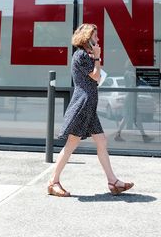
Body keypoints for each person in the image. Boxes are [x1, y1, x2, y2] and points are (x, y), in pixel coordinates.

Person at [48, 23, 134, 198]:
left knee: (101, 142)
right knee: (71, 144)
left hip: (89, 105)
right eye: (95, 36)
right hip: (83, 105)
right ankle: (53, 182)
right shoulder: (82, 55)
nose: (98, 39)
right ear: (87, 38)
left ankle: (113, 181)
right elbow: (95, 76)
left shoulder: (84, 55)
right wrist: (97, 57)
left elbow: (95, 77)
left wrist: (95, 57)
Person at [114, 67, 154, 143]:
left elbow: (136, 82)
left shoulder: (130, 74)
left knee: (136, 118)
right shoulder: (129, 74)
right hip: (130, 98)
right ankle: (118, 134)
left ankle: (144, 136)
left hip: (132, 98)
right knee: (128, 118)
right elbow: (135, 82)